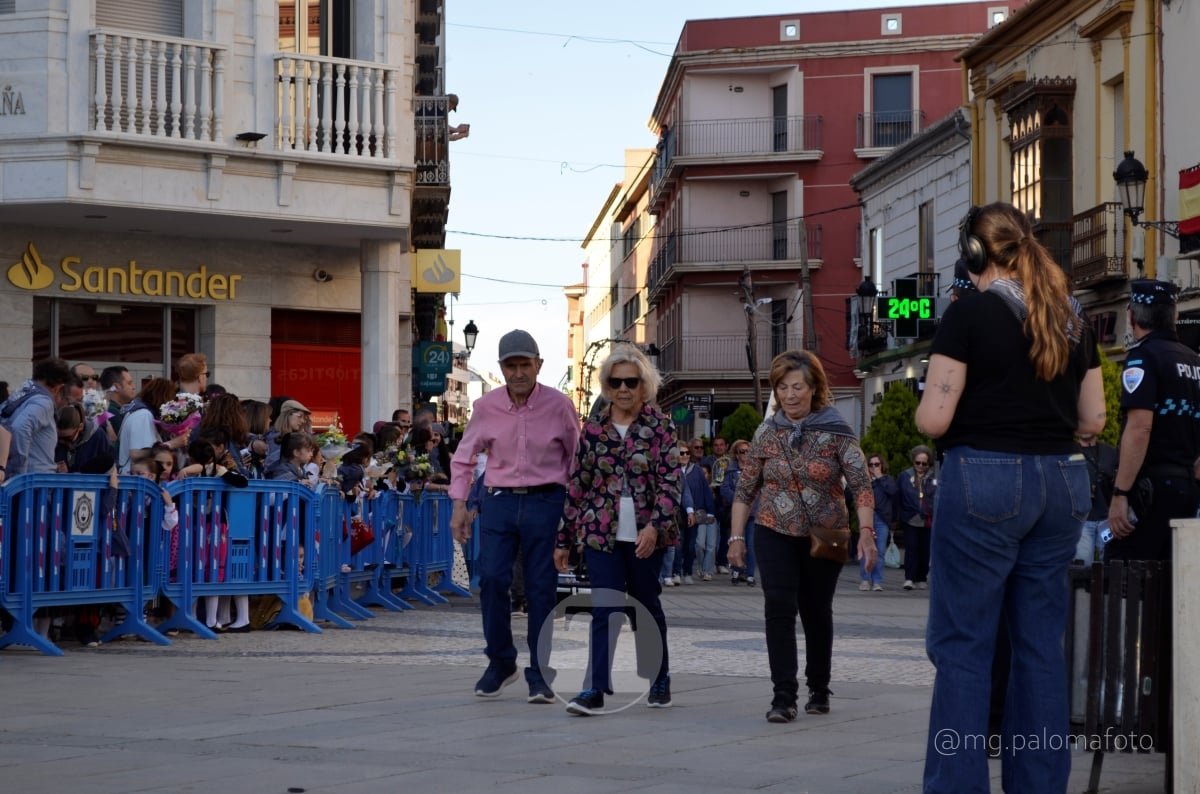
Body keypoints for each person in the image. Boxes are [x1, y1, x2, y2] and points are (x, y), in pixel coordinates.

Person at [914, 201, 1104, 793]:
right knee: (1039, 646)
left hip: (985, 481)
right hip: (1062, 483)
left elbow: (934, 420)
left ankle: (957, 784)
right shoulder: (1072, 317)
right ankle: (1039, 783)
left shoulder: (968, 315)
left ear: (975, 254)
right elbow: (1094, 418)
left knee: (965, 645)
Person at [729, 350, 877, 722]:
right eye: (782, 387)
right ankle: (783, 696)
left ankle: (819, 687)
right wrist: (735, 538)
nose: (790, 395)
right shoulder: (766, 432)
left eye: (797, 387)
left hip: (824, 535)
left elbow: (861, 484)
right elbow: (746, 489)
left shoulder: (837, 430)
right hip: (772, 530)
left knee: (815, 610)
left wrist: (867, 533)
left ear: (814, 388)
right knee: (778, 608)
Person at [448, 329, 580, 703]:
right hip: (499, 501)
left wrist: (573, 514)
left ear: (539, 365)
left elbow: (576, 459)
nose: (519, 372)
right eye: (511, 365)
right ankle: (501, 661)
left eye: (526, 364)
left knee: (540, 588)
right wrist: (460, 506)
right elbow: (464, 456)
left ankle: (539, 672)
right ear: (502, 368)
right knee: (491, 579)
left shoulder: (560, 405)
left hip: (546, 501)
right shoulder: (486, 407)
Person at [556, 345, 680, 714]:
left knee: (645, 605)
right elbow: (578, 484)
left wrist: (655, 527)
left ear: (645, 385)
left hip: (646, 534)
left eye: (632, 381)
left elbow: (671, 482)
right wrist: (564, 539)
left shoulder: (660, 427)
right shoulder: (593, 430)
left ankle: (659, 676)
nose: (624, 388)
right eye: (616, 382)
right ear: (607, 386)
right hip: (600, 533)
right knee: (604, 608)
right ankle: (594, 687)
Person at [1106, 278, 1200, 561]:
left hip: (1151, 489)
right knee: (1173, 580)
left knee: (1123, 573)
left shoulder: (1142, 358)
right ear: (1174, 317)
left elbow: (1140, 427)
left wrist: (1120, 493)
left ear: (1132, 316)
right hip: (1187, 487)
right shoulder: (1194, 361)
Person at [0, 357, 73, 476]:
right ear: (59, 387)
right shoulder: (43, 402)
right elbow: (20, 428)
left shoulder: (19, 395)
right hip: (33, 485)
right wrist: (18, 475)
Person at [896, 445, 935, 590]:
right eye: (918, 462)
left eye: (924, 463)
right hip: (910, 517)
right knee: (911, 548)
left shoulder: (933, 477)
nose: (920, 466)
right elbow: (898, 497)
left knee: (925, 550)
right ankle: (909, 578)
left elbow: (937, 497)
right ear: (913, 461)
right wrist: (897, 516)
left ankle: (921, 577)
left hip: (927, 519)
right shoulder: (904, 476)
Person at [1074, 433, 1117, 564]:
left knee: (1111, 563)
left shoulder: (1111, 452)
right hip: (1082, 521)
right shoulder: (1070, 452)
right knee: (1081, 565)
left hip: (1107, 521)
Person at [859, 453, 896, 592]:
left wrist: (880, 478)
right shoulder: (865, 480)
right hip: (867, 517)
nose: (874, 467)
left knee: (879, 551)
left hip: (881, 518)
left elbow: (893, 492)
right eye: (871, 464)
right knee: (865, 549)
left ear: (882, 465)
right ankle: (865, 579)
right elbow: (852, 495)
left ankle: (877, 581)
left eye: (877, 464)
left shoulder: (887, 480)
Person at [721, 440, 756, 585]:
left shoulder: (755, 470)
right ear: (736, 454)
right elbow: (725, 489)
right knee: (736, 541)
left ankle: (750, 574)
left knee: (751, 544)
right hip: (737, 514)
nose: (745, 454)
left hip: (753, 513)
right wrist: (738, 499)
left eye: (748, 451)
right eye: (742, 451)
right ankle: (736, 570)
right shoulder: (730, 471)